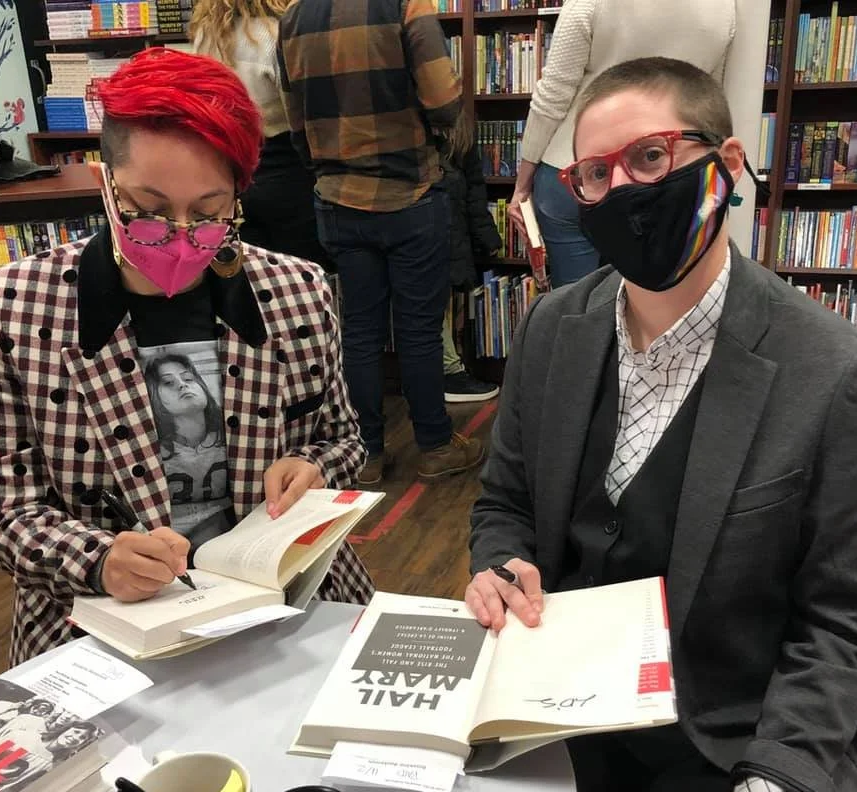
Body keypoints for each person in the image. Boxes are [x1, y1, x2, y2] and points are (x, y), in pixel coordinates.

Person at [467, 57, 857, 792]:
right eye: (594, 175)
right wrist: (500, 564)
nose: (620, 192)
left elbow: (844, 621)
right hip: (560, 717)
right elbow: (505, 503)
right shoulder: (551, 328)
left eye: (649, 159)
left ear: (724, 164)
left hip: (728, 732)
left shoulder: (829, 370)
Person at [0, 48, 374, 666]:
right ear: (106, 186)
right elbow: (7, 512)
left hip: (287, 603)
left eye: (210, 215)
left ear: (238, 199)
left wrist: (313, 469)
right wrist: (99, 560)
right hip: (101, 624)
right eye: (150, 211)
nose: (180, 238)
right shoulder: (22, 306)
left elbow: (344, 441)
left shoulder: (295, 291)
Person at [277, 0, 485, 485]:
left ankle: (366, 453)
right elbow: (443, 102)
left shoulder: (294, 14)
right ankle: (434, 446)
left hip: (337, 197)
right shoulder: (406, 4)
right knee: (418, 329)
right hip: (408, 193)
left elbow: (294, 120)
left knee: (360, 330)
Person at [510, 0, 760, 289]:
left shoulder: (589, 3)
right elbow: (708, 102)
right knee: (657, 293)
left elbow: (552, 96)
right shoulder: (723, 10)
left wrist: (523, 183)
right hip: (666, 171)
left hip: (577, 170)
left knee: (576, 303)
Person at [190, 0, 329, 268]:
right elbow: (301, 111)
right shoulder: (278, 33)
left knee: (250, 277)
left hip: (228, 172)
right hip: (285, 170)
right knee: (299, 274)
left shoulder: (207, 35)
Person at [435, 111, 502, 404]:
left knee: (438, 307)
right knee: (430, 308)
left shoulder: (460, 140)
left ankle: (449, 371)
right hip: (427, 237)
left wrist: (487, 237)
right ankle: (448, 372)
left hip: (447, 237)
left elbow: (475, 193)